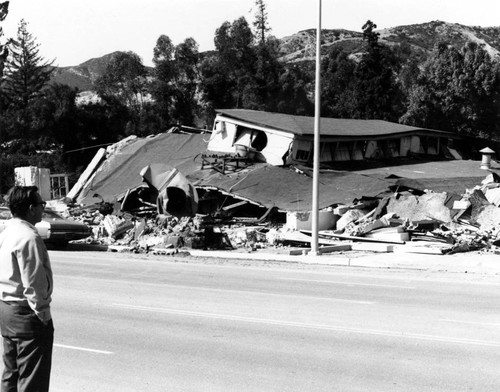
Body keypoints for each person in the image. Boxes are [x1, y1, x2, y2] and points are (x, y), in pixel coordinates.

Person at [0, 186, 54, 392]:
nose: (43, 209)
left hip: (6, 309)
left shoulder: (6, 232)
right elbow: (34, 282)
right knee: (33, 378)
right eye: (42, 204)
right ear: (31, 208)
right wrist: (43, 314)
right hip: (26, 314)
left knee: (11, 373)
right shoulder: (28, 237)